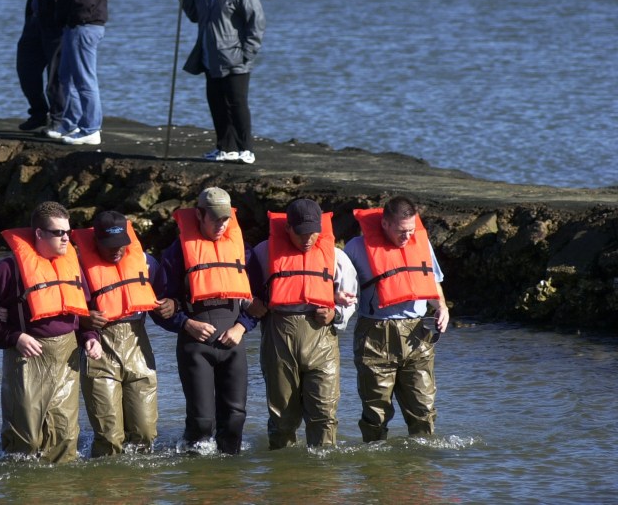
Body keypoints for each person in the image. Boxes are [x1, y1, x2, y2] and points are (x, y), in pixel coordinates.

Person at [0, 201, 103, 463]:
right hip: (27, 358)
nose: (66, 237)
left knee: (65, 436)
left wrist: (91, 338)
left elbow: (86, 311)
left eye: (68, 231)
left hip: (67, 357)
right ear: (39, 234)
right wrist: (15, 337)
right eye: (58, 232)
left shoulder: (73, 265)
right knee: (26, 439)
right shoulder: (9, 269)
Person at [246, 199, 358, 448]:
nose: (308, 239)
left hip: (322, 339)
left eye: (313, 233)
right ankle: (284, 475)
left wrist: (336, 314)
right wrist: (250, 303)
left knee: (324, 415)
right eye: (301, 233)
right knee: (282, 417)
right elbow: (242, 288)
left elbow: (350, 299)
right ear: (287, 229)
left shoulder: (336, 257)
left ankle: (323, 475)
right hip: (279, 338)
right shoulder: (264, 252)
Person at [158, 187, 257, 454]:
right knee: (202, 422)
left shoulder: (241, 251)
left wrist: (242, 327)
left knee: (235, 420)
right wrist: (186, 323)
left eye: (226, 219)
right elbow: (159, 305)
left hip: (232, 344)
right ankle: (198, 483)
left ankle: (230, 486)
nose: (221, 225)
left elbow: (260, 299)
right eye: (215, 218)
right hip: (195, 346)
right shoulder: (177, 252)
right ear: (199, 215)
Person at [69, 210, 176, 457]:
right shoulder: (79, 268)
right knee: (110, 438)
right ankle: (107, 489)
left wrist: (173, 305)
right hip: (99, 352)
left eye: (122, 245)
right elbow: (62, 314)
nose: (117, 251)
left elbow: (167, 298)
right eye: (110, 246)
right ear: (95, 242)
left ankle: (139, 491)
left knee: (146, 433)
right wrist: (84, 319)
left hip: (139, 349)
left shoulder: (147, 263)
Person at [343, 195, 451, 442]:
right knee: (376, 412)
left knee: (423, 409)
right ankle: (376, 468)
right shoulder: (356, 248)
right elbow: (339, 284)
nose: (408, 237)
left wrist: (442, 307)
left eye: (412, 230)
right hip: (375, 334)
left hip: (416, 334)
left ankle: (422, 470)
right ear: (385, 224)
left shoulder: (421, 244)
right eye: (402, 231)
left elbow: (431, 282)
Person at [177, 0, 265, 165]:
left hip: (236, 59)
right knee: (216, 104)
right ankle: (226, 148)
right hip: (210, 58)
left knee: (237, 104)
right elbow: (196, 16)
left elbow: (257, 22)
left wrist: (247, 53)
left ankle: (246, 149)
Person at [46, 0, 107, 146]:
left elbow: (84, 1)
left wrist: (71, 19)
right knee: (66, 76)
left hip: (84, 27)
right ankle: (71, 123)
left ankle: (91, 128)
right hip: (76, 28)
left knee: (84, 79)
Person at [16, 0, 72, 132]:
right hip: (35, 23)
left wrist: (62, 18)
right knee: (25, 69)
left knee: (55, 76)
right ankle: (38, 113)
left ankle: (58, 118)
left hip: (56, 27)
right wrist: (30, 17)